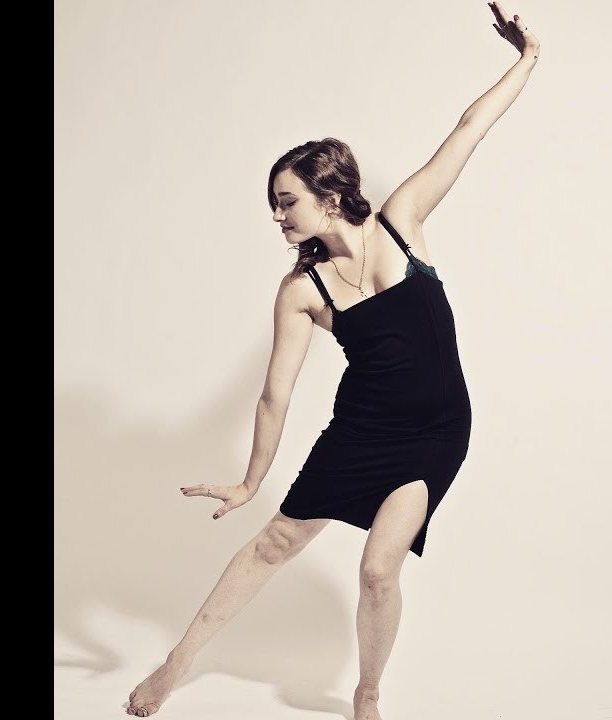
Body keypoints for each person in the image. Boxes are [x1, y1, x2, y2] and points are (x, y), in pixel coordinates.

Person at [125, 4, 538, 717]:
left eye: (286, 202)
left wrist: (526, 57)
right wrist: (251, 481)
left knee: (379, 570)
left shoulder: (402, 223)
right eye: (273, 205)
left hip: (436, 432)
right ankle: (176, 663)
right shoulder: (301, 290)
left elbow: (467, 129)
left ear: (331, 194)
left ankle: (367, 692)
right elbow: (273, 396)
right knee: (275, 542)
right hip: (359, 433)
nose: (277, 216)